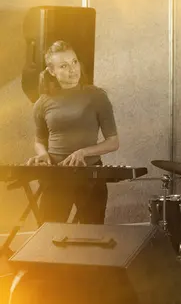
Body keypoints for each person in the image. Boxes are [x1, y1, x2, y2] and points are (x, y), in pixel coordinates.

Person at [26, 40, 119, 224]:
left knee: (91, 237)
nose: (72, 69)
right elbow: (39, 140)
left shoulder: (97, 96)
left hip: (91, 176)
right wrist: (43, 154)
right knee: (49, 236)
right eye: (64, 65)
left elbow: (113, 142)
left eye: (74, 62)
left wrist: (84, 152)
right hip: (55, 178)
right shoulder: (42, 103)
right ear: (52, 71)